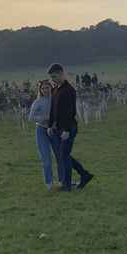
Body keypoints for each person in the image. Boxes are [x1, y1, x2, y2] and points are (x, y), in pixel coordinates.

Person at [47, 64, 94, 192]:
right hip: (58, 128)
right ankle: (84, 175)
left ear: (62, 73)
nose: (53, 79)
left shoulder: (69, 90)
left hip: (69, 128)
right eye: (51, 77)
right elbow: (53, 109)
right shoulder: (55, 89)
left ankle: (67, 186)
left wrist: (67, 130)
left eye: (55, 76)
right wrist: (50, 125)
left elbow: (71, 112)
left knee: (64, 155)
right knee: (64, 155)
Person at [28, 81, 56, 191]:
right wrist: (43, 118)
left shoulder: (55, 100)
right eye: (43, 88)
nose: (46, 90)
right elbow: (31, 117)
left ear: (51, 88)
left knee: (59, 156)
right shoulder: (37, 102)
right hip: (41, 130)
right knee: (46, 159)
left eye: (47, 88)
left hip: (54, 130)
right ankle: (49, 183)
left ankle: (63, 180)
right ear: (40, 90)